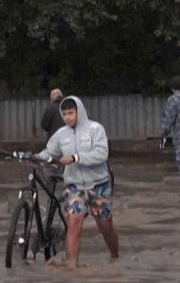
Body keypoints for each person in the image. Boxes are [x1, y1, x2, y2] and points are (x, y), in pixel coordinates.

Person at [35, 96, 119, 267]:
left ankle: (115, 257)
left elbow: (102, 154)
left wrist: (75, 158)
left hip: (98, 184)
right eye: (64, 114)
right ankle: (71, 268)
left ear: (79, 111)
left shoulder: (95, 129)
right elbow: (49, 152)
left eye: (71, 113)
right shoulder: (61, 134)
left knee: (104, 224)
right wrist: (34, 157)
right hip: (75, 186)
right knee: (74, 221)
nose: (68, 117)